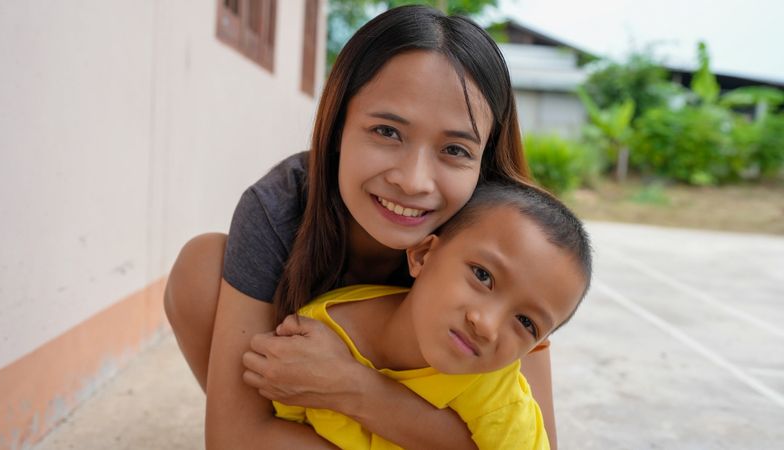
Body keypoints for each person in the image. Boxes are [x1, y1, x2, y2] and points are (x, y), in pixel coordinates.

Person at [164, 5, 557, 449]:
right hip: (312, 427)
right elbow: (235, 437)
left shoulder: (508, 240)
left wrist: (353, 388)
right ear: (338, 126)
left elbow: (535, 443)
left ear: (484, 161)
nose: (413, 181)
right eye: (387, 132)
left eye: (455, 149)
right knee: (200, 267)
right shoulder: (280, 209)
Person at [271, 182, 592, 450]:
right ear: (423, 255)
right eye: (482, 276)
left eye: (526, 323)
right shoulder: (317, 333)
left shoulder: (492, 389)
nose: (487, 325)